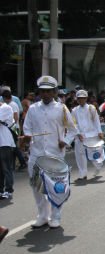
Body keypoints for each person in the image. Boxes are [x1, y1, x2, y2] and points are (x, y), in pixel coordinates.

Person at [21, 76, 77, 228]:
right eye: (42, 91)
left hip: (55, 154)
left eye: (48, 91)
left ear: (54, 92)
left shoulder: (62, 109)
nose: (45, 94)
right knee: (36, 186)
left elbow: (73, 130)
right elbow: (27, 127)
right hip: (36, 153)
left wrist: (65, 141)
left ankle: (56, 215)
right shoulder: (33, 109)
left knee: (56, 187)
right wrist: (27, 137)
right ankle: (43, 215)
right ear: (39, 92)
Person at [71, 90, 105, 180]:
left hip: (92, 135)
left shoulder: (91, 108)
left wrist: (99, 131)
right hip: (80, 136)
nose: (81, 100)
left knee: (93, 154)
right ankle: (83, 174)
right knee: (80, 155)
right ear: (77, 99)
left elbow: (96, 121)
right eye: (79, 98)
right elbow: (74, 124)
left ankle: (99, 165)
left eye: (83, 98)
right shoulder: (74, 110)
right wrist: (78, 133)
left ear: (86, 99)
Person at [0, 100, 16, 200]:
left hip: (5, 142)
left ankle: (8, 190)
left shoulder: (5, 108)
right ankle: (1, 190)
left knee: (6, 168)